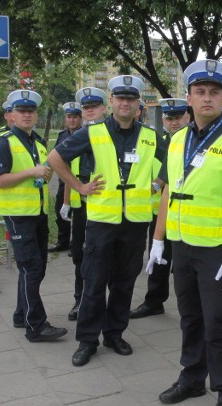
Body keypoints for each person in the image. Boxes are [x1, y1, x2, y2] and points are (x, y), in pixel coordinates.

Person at [148, 59, 222, 406]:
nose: (207, 99)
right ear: (189, 98)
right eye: (200, 92)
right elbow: (167, 193)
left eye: (214, 93)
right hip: (183, 246)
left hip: (217, 251)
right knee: (190, 318)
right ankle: (192, 377)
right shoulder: (177, 140)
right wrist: (158, 240)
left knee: (218, 322)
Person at [48, 75, 167, 367]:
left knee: (125, 282)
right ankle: (87, 340)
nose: (125, 103)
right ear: (111, 102)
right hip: (101, 220)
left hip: (136, 221)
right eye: (120, 98)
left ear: (139, 104)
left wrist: (158, 182)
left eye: (131, 99)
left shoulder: (151, 136)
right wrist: (79, 186)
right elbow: (54, 158)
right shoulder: (93, 132)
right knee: (94, 281)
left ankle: (114, 334)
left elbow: (174, 163)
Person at [0, 89, 68, 342]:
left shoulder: (38, 142)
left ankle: (21, 314)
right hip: (17, 214)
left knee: (35, 268)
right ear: (11, 115)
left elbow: (44, 172)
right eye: (21, 111)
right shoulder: (4, 143)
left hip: (37, 212)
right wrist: (30, 173)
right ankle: (36, 326)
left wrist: (44, 173)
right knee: (32, 268)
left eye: (30, 111)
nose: (26, 115)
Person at [130, 98, 190, 319]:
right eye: (169, 118)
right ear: (163, 120)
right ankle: (154, 301)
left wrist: (158, 184)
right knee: (158, 260)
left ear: (187, 117)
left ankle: (193, 309)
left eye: (178, 118)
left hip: (189, 214)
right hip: (159, 213)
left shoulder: (196, 142)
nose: (174, 123)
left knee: (187, 265)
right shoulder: (157, 142)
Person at [65, 87, 109, 321]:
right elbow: (62, 168)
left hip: (103, 202)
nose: (89, 111)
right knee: (80, 255)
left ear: (104, 107)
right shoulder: (71, 136)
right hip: (81, 204)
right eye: (85, 108)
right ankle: (80, 299)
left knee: (103, 256)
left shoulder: (110, 133)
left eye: (94, 106)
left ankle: (102, 303)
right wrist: (68, 199)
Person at [48, 102, 83, 253]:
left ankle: (77, 244)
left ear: (80, 119)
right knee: (60, 212)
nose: (72, 120)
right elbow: (55, 156)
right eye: (69, 117)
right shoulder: (62, 135)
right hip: (64, 181)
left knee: (80, 217)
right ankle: (62, 242)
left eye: (75, 117)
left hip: (81, 181)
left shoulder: (85, 134)